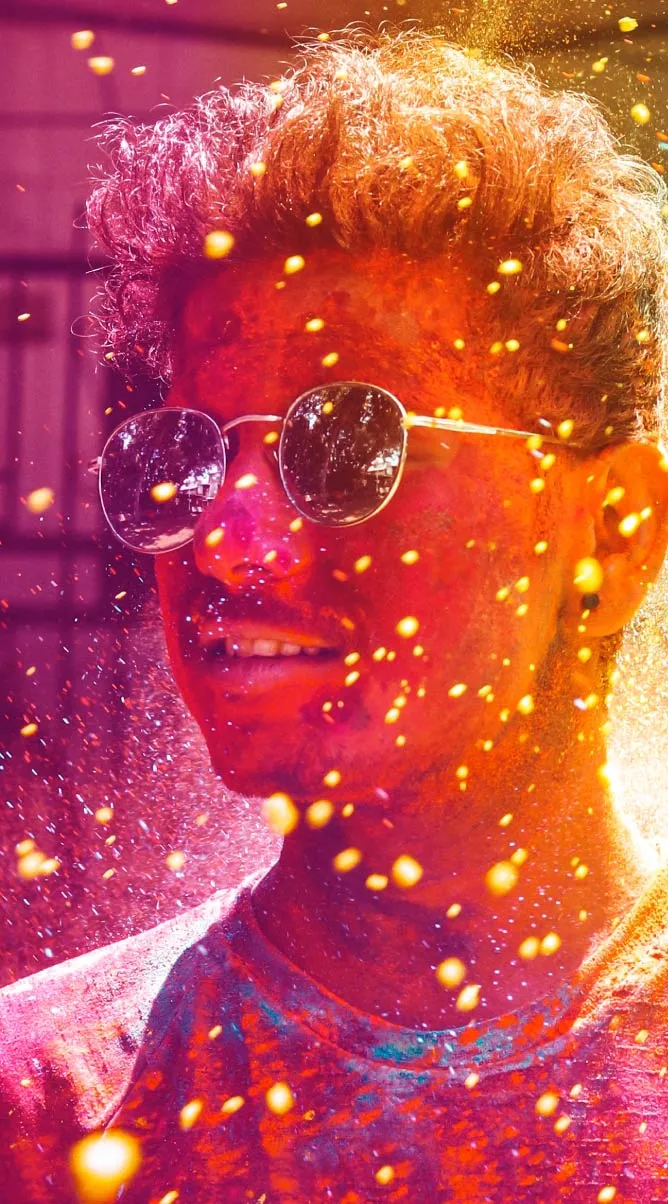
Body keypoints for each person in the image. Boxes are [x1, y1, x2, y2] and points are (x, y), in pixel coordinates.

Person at [3, 28, 668, 1204]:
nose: (225, 538)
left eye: (351, 441)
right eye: (188, 453)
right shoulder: (41, 1109)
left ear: (607, 530)